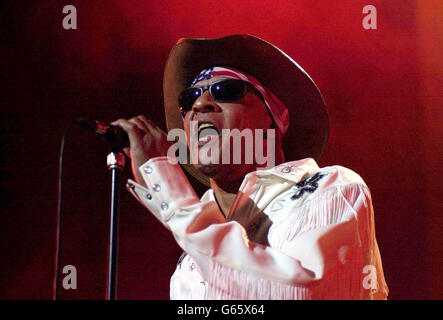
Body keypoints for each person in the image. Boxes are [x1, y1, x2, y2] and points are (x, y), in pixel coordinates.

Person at [112, 34, 389, 299]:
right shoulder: (188, 264)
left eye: (226, 90)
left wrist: (173, 196)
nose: (200, 103)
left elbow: (300, 292)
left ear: (275, 117)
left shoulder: (332, 189)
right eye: (188, 98)